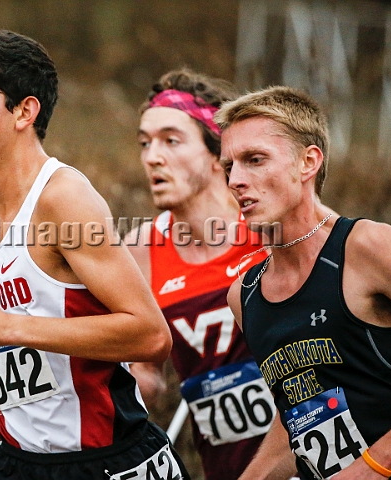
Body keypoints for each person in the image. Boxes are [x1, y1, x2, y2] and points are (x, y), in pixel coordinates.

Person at [0, 29, 190, 480]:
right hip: (20, 463)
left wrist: (8, 325)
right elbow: (37, 358)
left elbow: (150, 336)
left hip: (107, 460)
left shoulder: (64, 200)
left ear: (24, 111)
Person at [217, 85, 391, 479]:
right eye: (228, 166)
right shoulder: (244, 294)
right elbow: (300, 409)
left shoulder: (367, 247)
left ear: (308, 163)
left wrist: (377, 463)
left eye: (254, 160)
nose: (236, 180)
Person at [126, 68, 276, 480]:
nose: (152, 156)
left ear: (216, 153)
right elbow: (147, 377)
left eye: (171, 141)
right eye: (145, 143)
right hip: (226, 467)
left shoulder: (270, 225)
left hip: (315, 457)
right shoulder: (141, 248)